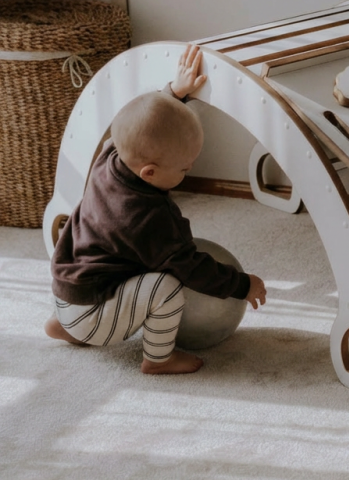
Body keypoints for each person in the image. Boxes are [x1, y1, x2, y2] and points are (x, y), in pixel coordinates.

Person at [45, 44, 267, 374]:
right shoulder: (149, 219)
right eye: (184, 169)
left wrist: (174, 94)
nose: (187, 171)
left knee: (117, 269)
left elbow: (147, 124)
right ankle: (158, 358)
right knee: (168, 286)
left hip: (68, 294)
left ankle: (68, 327)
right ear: (149, 172)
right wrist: (242, 284)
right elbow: (191, 268)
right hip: (92, 312)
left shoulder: (111, 154)